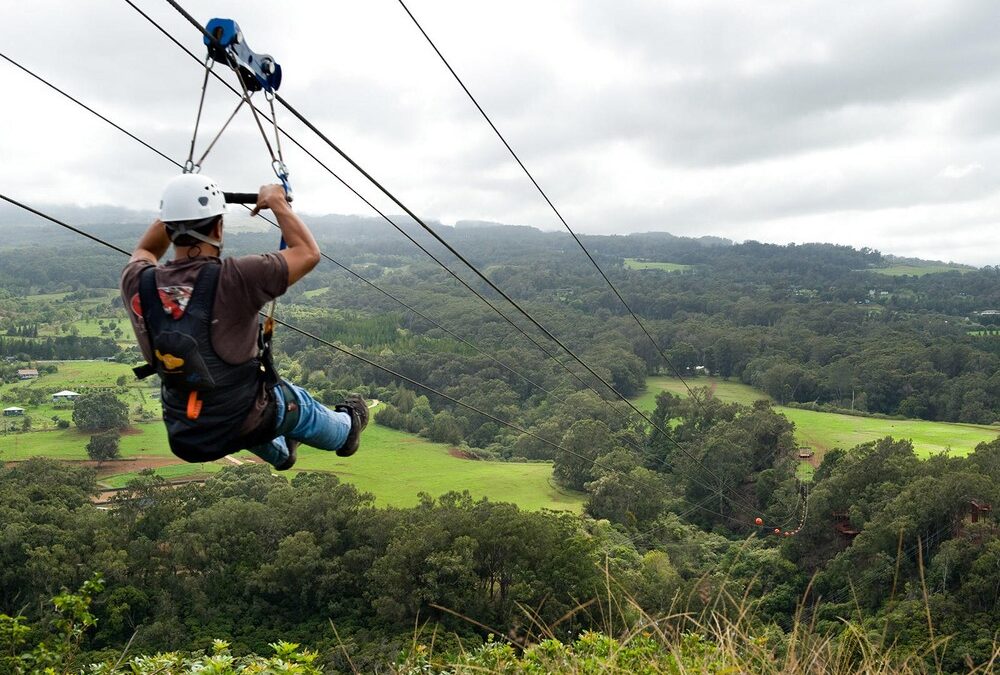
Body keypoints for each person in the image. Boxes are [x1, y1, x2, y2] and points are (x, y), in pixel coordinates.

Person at [120, 173, 368, 470]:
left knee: (232, 407)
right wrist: (277, 202)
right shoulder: (235, 277)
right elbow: (308, 253)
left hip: (186, 431)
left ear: (168, 226)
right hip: (244, 417)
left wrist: (174, 210)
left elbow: (146, 250)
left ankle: (283, 453)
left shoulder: (137, 281)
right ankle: (347, 430)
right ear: (219, 226)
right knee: (295, 404)